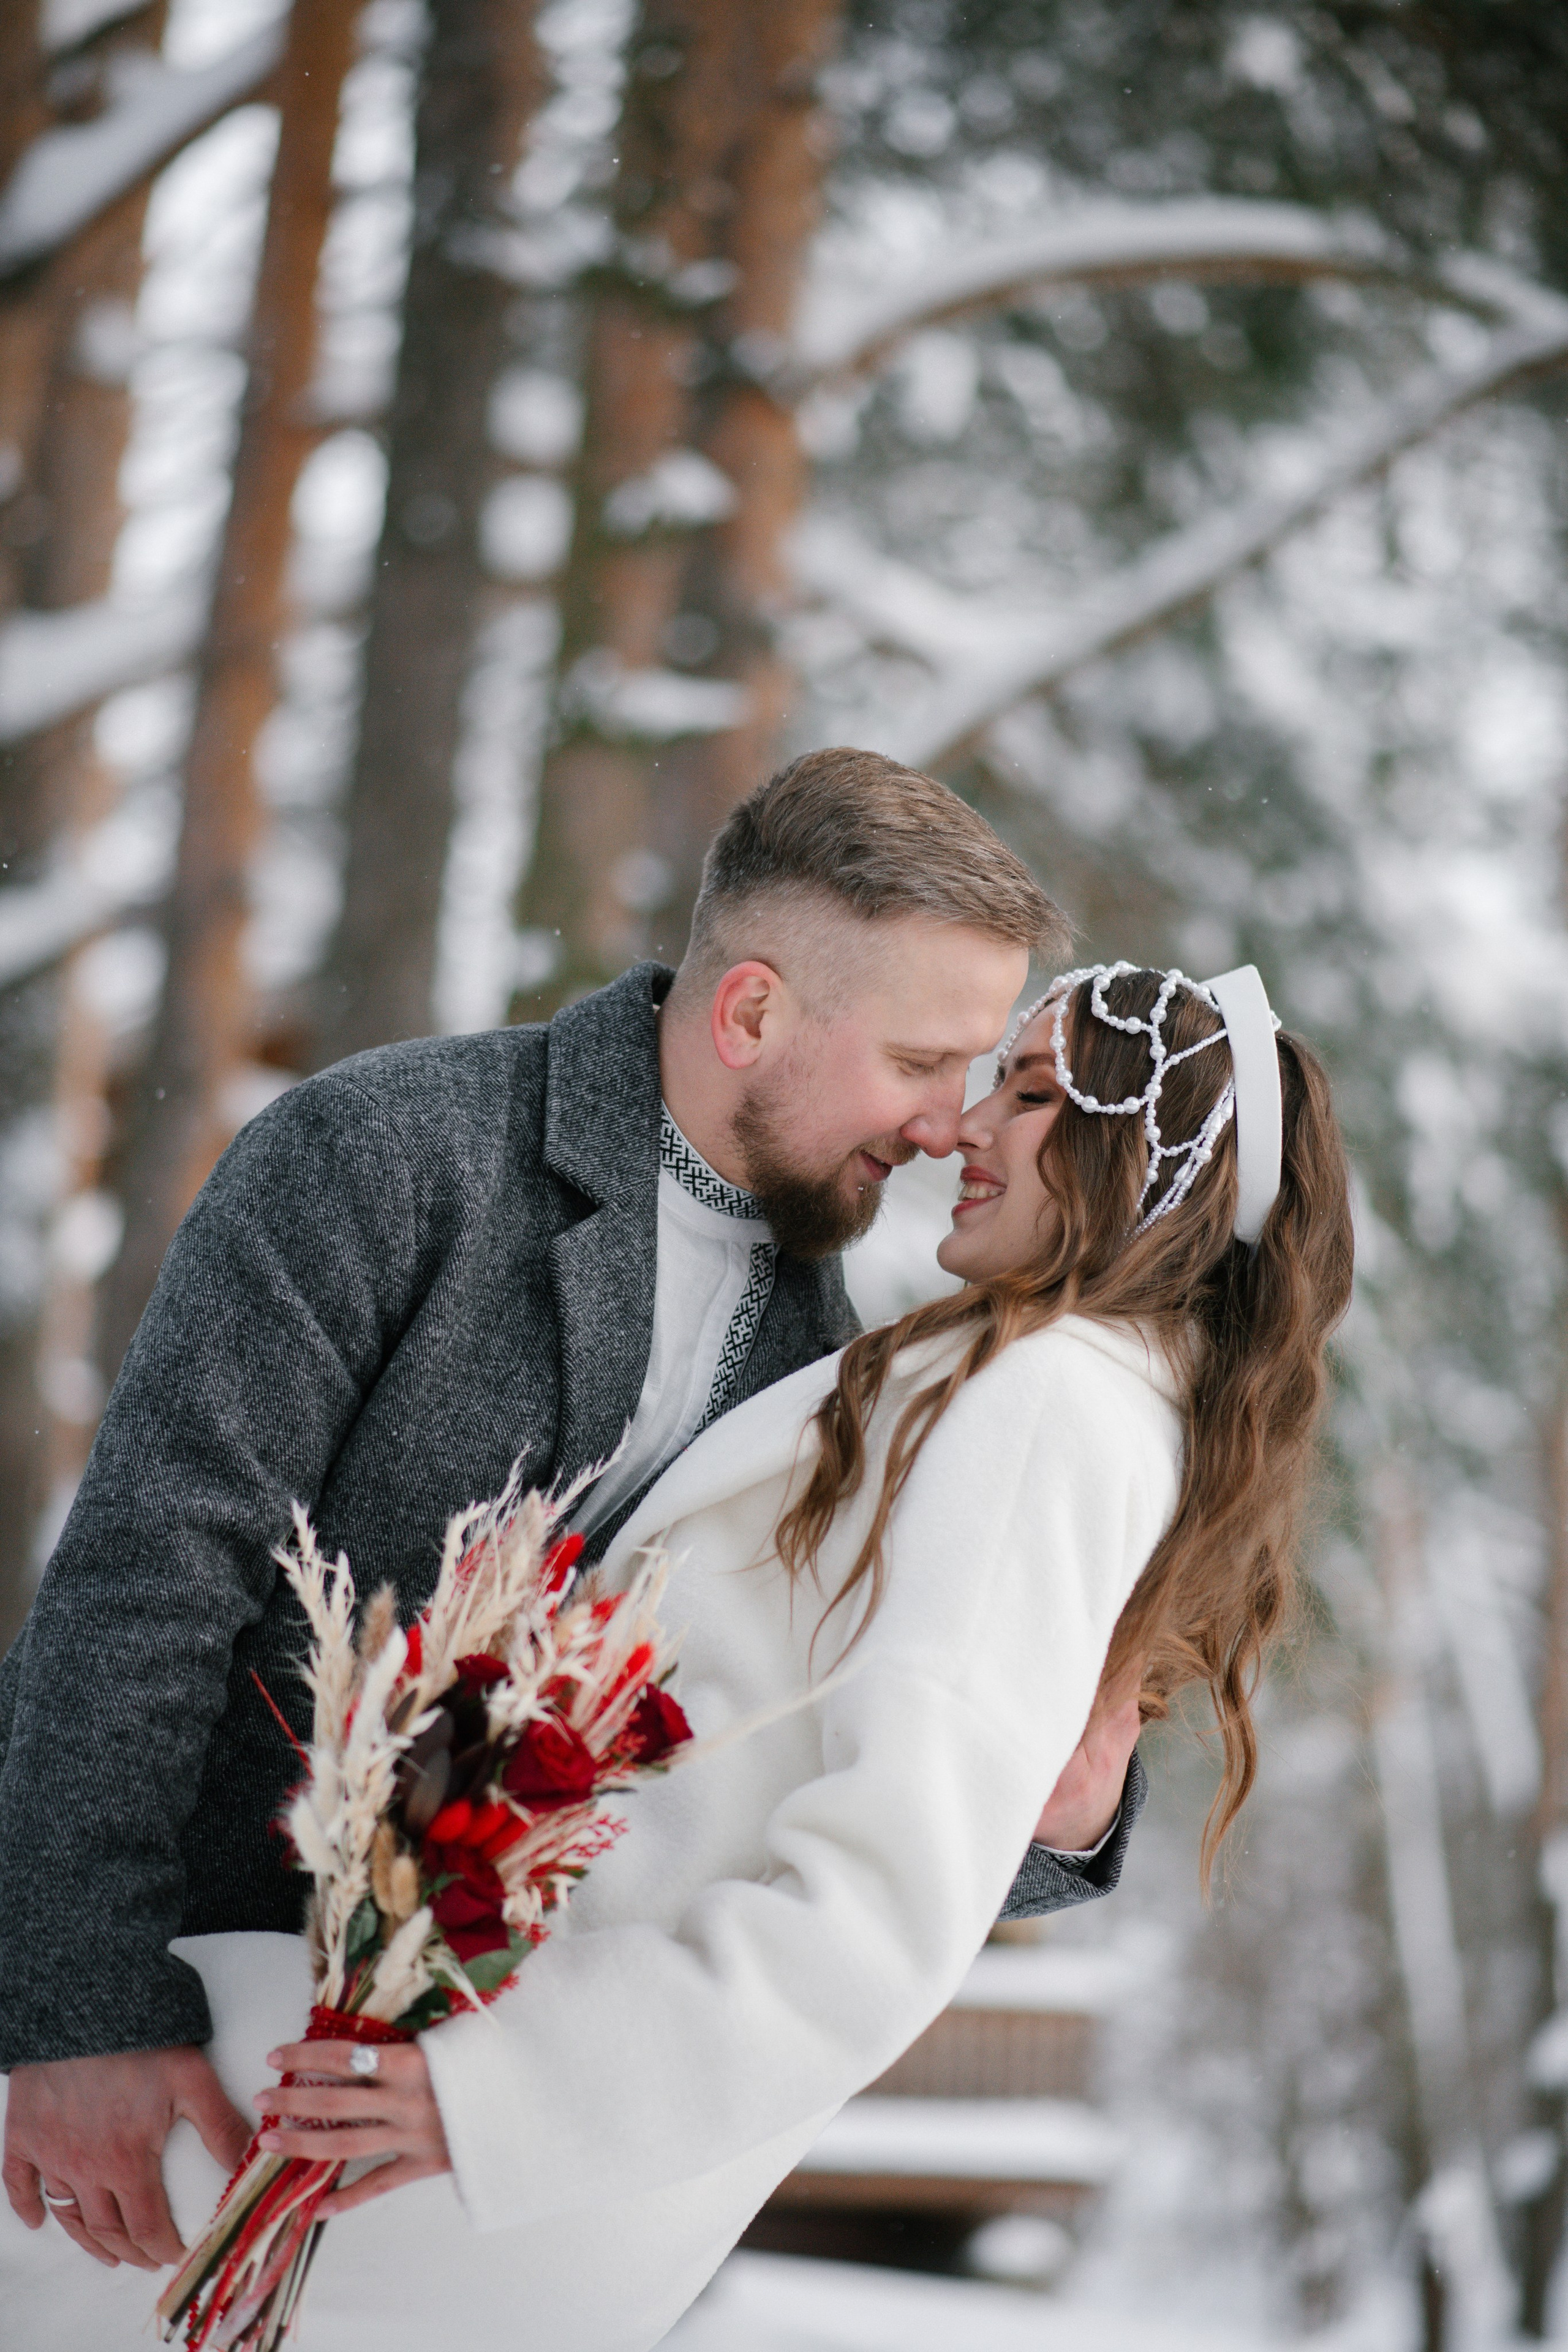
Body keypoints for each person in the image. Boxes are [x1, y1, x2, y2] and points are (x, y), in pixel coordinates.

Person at [0, 954, 1354, 2352]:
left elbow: (887, 1903)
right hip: (445, 2034)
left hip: (480, 2094)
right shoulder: (1001, 1378)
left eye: (1020, 1090)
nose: (956, 1128)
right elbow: (742, 1709)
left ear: (1135, 1156)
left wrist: (496, 2096)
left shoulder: (1049, 1402)